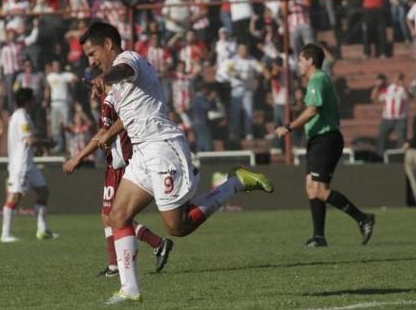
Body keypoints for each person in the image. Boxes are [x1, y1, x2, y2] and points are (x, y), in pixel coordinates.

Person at [80, 22, 273, 304]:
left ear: (108, 43)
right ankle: (130, 289)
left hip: (163, 148)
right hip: (142, 153)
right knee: (117, 217)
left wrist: (105, 77)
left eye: (93, 53)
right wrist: (108, 132)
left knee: (177, 227)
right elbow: (131, 114)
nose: (91, 60)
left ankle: (235, 183)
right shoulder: (119, 86)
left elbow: (121, 71)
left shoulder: (128, 60)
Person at [63, 88, 174, 278]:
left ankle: (149, 246)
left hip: (122, 164)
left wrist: (78, 157)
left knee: (112, 216)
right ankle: (121, 261)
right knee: (108, 216)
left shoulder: (110, 100)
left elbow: (103, 134)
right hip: (115, 163)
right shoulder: (120, 96)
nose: (92, 91)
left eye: (93, 85)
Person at [275, 44, 376, 248]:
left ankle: (363, 218)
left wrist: (288, 127)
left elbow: (313, 110)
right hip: (317, 140)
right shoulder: (319, 80)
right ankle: (319, 238)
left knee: (320, 190)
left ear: (310, 61)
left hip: (326, 140)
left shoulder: (317, 79)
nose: (299, 64)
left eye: (301, 60)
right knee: (311, 189)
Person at [0, 88, 58, 243]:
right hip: (20, 164)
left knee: (43, 192)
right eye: (33, 99)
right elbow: (29, 141)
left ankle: (42, 229)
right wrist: (48, 143)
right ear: (28, 101)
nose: (35, 101)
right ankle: (5, 233)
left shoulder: (22, 116)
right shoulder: (21, 118)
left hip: (29, 163)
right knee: (15, 196)